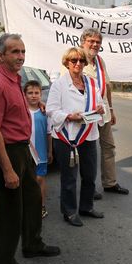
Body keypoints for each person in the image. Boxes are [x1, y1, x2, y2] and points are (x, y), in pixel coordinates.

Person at [0, 34, 60, 264]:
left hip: (22, 148)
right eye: (15, 52)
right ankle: (3, 260)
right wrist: (6, 169)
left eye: (23, 51)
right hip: (7, 151)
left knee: (34, 196)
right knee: (9, 209)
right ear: (1, 55)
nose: (20, 56)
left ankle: (32, 244)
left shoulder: (15, 79)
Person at [47, 47, 105, 226]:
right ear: (67, 63)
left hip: (89, 134)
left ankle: (86, 207)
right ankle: (69, 211)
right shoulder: (59, 85)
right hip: (67, 137)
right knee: (69, 177)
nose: (78, 64)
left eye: (81, 60)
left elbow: (100, 104)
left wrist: (100, 109)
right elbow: (51, 110)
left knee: (89, 175)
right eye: (74, 61)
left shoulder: (91, 83)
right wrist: (69, 116)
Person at [80, 28, 129, 198]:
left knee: (108, 147)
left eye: (98, 42)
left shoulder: (100, 61)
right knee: (88, 151)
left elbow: (107, 86)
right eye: (91, 41)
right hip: (86, 114)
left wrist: (111, 109)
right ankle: (89, 187)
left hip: (103, 112)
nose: (94, 44)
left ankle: (110, 183)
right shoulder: (76, 59)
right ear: (83, 41)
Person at [24, 80, 53, 219]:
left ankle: (41, 206)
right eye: (30, 93)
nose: (34, 96)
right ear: (24, 95)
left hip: (41, 153)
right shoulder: (21, 111)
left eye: (36, 93)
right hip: (25, 154)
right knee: (26, 181)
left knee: (40, 180)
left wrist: (50, 151)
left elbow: (49, 133)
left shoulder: (44, 112)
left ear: (41, 94)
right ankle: (27, 206)